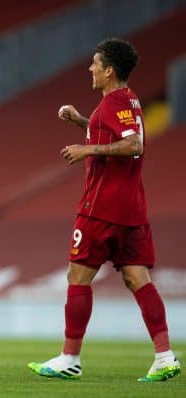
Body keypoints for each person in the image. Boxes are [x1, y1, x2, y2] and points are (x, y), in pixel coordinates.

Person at [28, 38, 180, 382]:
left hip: (101, 206)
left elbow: (134, 145)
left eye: (95, 63)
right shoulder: (130, 101)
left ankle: (69, 357)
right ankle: (165, 356)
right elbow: (120, 135)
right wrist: (82, 121)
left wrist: (86, 149)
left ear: (109, 70)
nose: (90, 68)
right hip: (132, 208)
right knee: (137, 277)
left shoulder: (113, 102)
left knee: (77, 277)